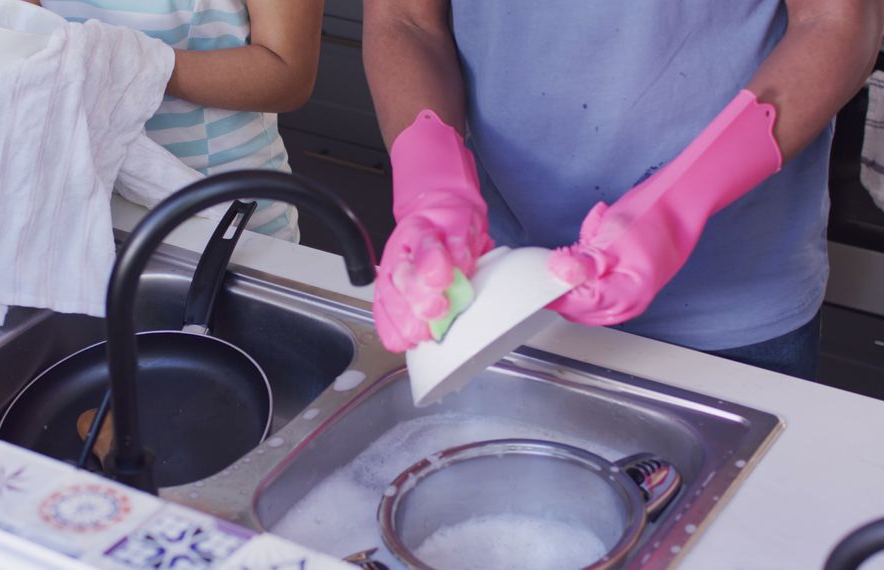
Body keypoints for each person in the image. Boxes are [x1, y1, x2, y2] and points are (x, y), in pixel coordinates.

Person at [365, 1, 884, 380]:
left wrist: (678, 204)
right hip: (498, 293)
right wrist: (431, 191)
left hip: (732, 310)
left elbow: (838, 21)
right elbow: (406, 19)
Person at [0, 0, 325, 242]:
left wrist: (124, 61)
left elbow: (287, 72)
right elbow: (31, 20)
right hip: (71, 207)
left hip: (217, 214)